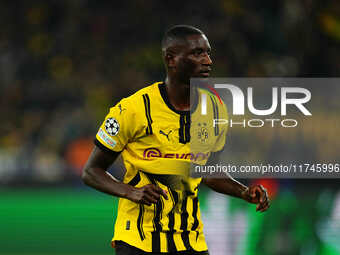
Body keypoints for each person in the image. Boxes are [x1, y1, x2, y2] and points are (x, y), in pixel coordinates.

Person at [82, 25, 269, 255]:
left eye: (208, 52)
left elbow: (209, 173)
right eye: (197, 53)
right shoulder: (134, 109)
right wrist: (130, 192)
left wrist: (243, 192)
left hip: (190, 241)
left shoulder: (215, 108)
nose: (208, 60)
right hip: (138, 241)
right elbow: (91, 171)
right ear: (171, 59)